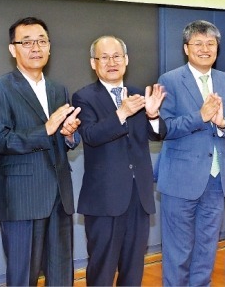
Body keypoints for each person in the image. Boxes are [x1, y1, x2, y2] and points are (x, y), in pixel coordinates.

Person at [0, 16, 81, 286]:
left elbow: (63, 138)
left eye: (41, 41)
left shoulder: (57, 88)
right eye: (27, 42)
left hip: (59, 196)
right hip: (22, 198)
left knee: (61, 274)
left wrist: (70, 135)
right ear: (13, 49)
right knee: (23, 276)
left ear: (49, 47)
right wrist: (46, 128)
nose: (35, 47)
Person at [156, 20, 225, 286]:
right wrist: (200, 117)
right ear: (186, 48)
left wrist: (221, 123)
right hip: (180, 180)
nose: (205, 49)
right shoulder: (170, 80)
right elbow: (164, 127)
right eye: (198, 43)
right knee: (178, 253)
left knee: (207, 251)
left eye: (211, 43)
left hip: (217, 181)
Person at [72, 35, 166, 285]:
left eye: (116, 56)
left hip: (139, 196)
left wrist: (154, 115)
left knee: (134, 269)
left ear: (126, 60)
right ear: (94, 63)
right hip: (104, 199)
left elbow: (157, 133)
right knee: (101, 269)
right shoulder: (84, 97)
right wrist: (122, 113)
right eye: (104, 57)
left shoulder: (138, 93)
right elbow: (91, 136)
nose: (111, 62)